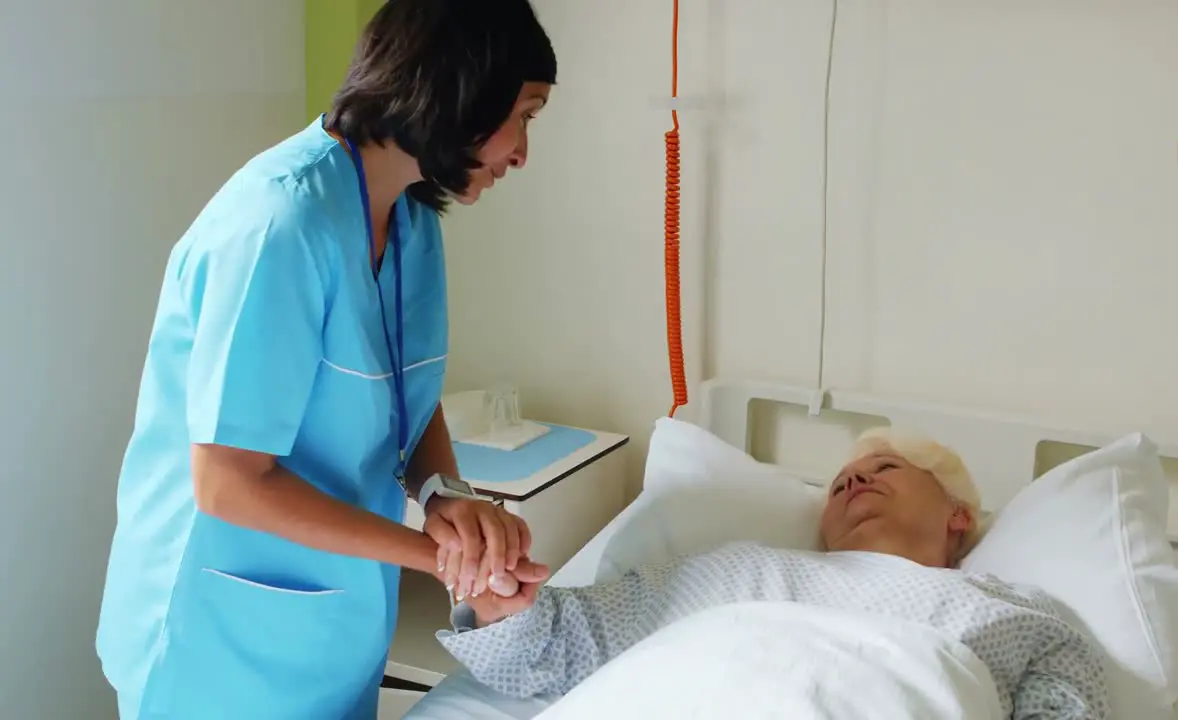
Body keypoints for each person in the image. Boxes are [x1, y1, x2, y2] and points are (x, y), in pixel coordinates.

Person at [95, 1, 556, 717]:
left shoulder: (410, 221)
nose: (524, 152)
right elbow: (228, 483)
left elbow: (406, 391)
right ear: (461, 87)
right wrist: (440, 559)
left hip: (331, 620)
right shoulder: (277, 225)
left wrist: (448, 500)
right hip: (218, 637)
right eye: (525, 114)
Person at [436, 427, 1111, 719]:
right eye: (843, 480)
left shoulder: (1013, 616)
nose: (855, 479)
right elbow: (566, 646)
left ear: (959, 516)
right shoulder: (741, 572)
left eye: (886, 470)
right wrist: (503, 598)